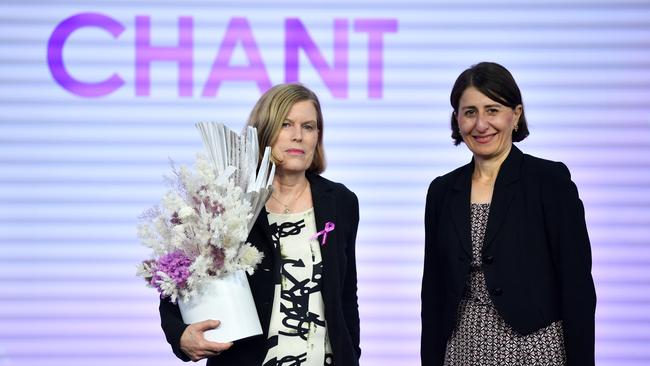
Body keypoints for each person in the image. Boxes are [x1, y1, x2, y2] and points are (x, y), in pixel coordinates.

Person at [159, 83, 361, 365]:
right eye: (286, 124)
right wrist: (180, 335)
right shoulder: (226, 199)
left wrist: (352, 356)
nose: (298, 136)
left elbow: (345, 297)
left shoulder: (340, 201)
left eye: (309, 126)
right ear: (265, 131)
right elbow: (178, 279)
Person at [420, 62, 596, 366]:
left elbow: (577, 287)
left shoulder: (549, 181)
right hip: (462, 349)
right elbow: (433, 293)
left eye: (492, 110)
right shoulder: (442, 191)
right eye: (470, 112)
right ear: (457, 120)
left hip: (534, 350)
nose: (481, 124)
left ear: (515, 115)